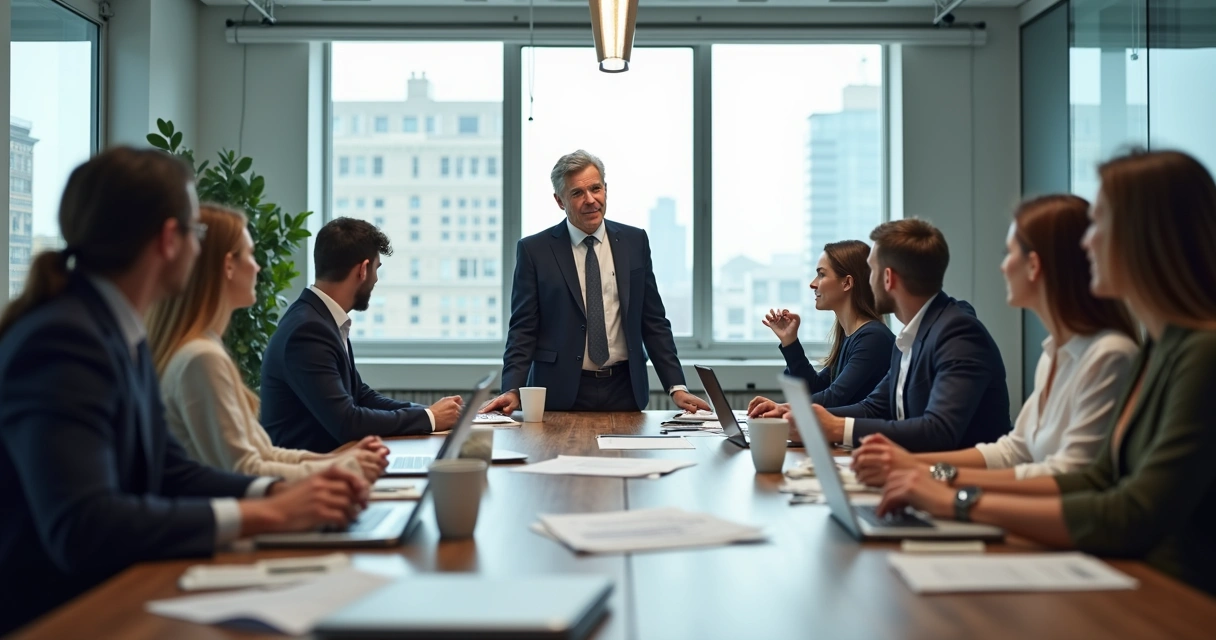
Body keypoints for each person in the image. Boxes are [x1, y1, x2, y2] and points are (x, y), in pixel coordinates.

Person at [0, 148, 368, 635]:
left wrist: (278, 493)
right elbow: (84, 526)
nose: (201, 252)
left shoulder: (113, 331)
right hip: (65, 616)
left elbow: (171, 471)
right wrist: (265, 512)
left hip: (116, 589)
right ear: (170, 240)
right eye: (196, 234)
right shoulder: (64, 340)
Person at [876, 149, 1216, 596]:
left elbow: (1133, 510)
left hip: (1171, 596)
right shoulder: (1157, 347)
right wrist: (935, 479)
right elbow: (1096, 478)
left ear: (1146, 236)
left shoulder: (1196, 352)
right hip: (1131, 575)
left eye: (1100, 224)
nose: (1088, 242)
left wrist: (955, 495)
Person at [851, 195, 1139, 489]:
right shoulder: (1053, 354)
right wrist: (910, 466)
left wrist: (932, 478)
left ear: (1033, 265)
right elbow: (1015, 450)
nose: (1003, 266)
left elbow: (1069, 477)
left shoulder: (1109, 356)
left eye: (1008, 252)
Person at [148, 204, 389, 482]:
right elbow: (246, 470)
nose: (257, 266)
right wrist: (341, 468)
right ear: (228, 265)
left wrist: (342, 460)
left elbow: (265, 453)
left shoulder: (206, 350)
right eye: (250, 254)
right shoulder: (200, 357)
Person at [481, 150, 710, 414]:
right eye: (577, 193)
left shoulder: (635, 242)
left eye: (595, 188)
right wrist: (511, 389)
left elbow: (653, 321)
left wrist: (676, 386)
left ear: (605, 189)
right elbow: (523, 329)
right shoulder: (535, 251)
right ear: (559, 200)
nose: (590, 200)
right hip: (559, 390)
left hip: (625, 389)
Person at [792, 218, 1011, 452]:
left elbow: (938, 430)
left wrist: (838, 428)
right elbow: (874, 407)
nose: (867, 280)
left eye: (871, 270)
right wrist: (799, 415)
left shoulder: (959, 334)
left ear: (888, 278)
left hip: (964, 481)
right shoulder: (908, 336)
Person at [261, 217, 463, 452]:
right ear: (363, 269)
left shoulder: (320, 318)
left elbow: (360, 395)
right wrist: (429, 417)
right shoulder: (307, 331)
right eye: (377, 269)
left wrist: (429, 413)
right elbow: (347, 422)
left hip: (332, 465)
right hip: (307, 477)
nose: (376, 279)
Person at [747, 240, 894, 417]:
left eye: (822, 275)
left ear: (847, 283)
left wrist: (783, 408)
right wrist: (790, 341)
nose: (813, 284)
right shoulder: (851, 337)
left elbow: (833, 398)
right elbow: (814, 389)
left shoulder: (873, 338)